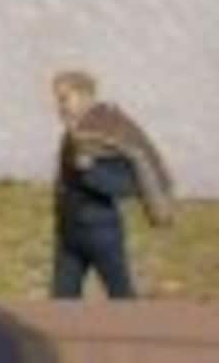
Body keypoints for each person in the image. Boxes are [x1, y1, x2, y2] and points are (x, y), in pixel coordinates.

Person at [50, 70, 175, 300]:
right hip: (69, 232)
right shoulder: (75, 132)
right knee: (62, 301)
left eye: (65, 98)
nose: (60, 106)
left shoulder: (109, 131)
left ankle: (134, 324)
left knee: (121, 297)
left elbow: (125, 185)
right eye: (58, 99)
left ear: (85, 96)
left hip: (101, 231)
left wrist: (90, 171)